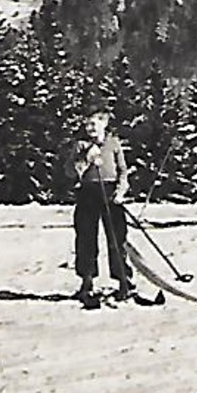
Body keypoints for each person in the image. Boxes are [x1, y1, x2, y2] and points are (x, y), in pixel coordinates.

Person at [67, 109, 135, 305]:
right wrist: (85, 159)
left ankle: (124, 280)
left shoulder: (113, 143)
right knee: (86, 238)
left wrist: (121, 191)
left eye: (94, 125)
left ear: (104, 124)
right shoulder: (80, 145)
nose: (90, 129)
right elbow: (70, 172)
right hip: (88, 192)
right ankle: (87, 281)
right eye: (87, 125)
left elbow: (123, 170)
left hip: (111, 193)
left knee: (117, 239)